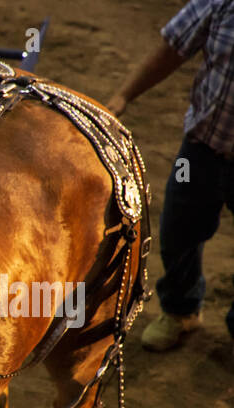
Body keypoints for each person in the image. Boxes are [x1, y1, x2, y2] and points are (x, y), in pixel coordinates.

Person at [106, 0, 234, 354]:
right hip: (203, 146)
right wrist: (123, 96)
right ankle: (181, 310)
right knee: (177, 229)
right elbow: (174, 46)